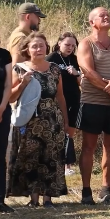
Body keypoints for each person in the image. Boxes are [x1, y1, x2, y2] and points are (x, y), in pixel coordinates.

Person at [76, 7, 110, 205]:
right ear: (92, 22)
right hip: (92, 103)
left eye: (108, 14)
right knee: (89, 147)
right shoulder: (85, 44)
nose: (107, 16)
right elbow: (89, 73)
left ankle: (106, 190)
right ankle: (86, 191)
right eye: (102, 15)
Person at [8, 32, 70, 207]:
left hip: (52, 120)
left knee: (51, 157)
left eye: (41, 45)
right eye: (34, 46)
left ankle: (48, 198)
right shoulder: (19, 69)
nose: (38, 49)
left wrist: (65, 121)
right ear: (27, 49)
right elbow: (11, 98)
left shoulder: (55, 69)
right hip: (29, 121)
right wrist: (23, 84)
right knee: (31, 158)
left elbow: (61, 97)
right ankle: (33, 198)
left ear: (47, 47)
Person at [46, 32, 81, 176]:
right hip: (57, 100)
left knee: (69, 133)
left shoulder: (75, 59)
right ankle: (54, 163)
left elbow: (82, 82)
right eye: (67, 44)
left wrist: (76, 73)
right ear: (59, 43)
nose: (70, 48)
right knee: (57, 131)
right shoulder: (51, 58)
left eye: (73, 45)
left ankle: (68, 165)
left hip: (74, 99)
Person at [0, 43, 12, 212]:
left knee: (0, 154)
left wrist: (1, 108)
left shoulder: (4, 55)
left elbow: (8, 85)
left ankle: (0, 200)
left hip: (2, 111)